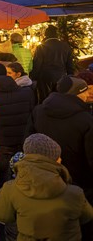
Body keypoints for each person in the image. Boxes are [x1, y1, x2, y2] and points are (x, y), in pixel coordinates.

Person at [0, 134, 93, 241]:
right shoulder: (74, 193)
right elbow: (87, 216)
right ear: (52, 161)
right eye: (58, 157)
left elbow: (2, 216)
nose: (61, 159)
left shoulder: (10, 189)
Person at [26, 75, 93, 203]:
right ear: (76, 94)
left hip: (45, 176)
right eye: (85, 91)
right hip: (79, 182)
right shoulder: (85, 119)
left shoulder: (38, 111)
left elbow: (29, 140)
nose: (88, 94)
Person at [0, 63, 35, 184]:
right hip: (24, 141)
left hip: (3, 144)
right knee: (23, 176)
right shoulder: (27, 92)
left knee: (3, 177)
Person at [31, 25, 75, 102]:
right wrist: (70, 76)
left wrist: (33, 77)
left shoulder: (41, 47)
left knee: (45, 99)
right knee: (60, 98)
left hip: (45, 77)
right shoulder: (65, 46)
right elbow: (70, 64)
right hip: (61, 76)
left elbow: (37, 64)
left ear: (46, 35)